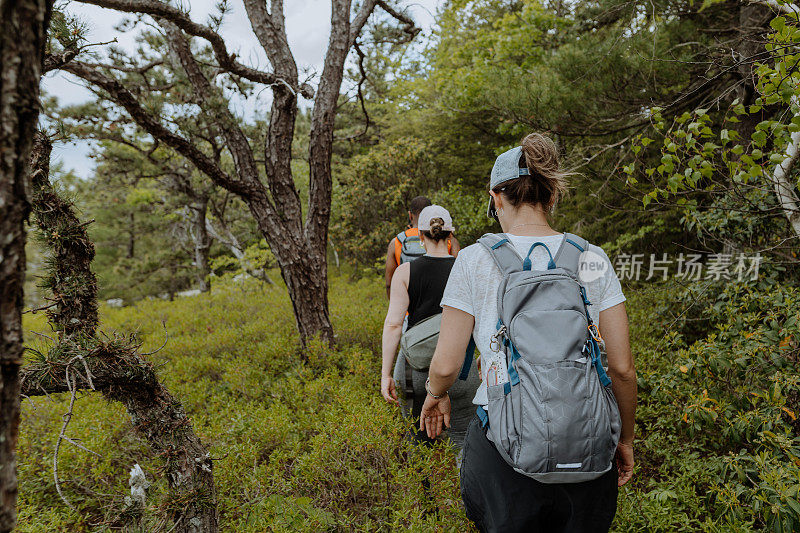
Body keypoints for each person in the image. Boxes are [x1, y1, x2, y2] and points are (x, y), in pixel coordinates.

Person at [419, 133, 637, 532]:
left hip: (504, 445)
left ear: (496, 198)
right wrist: (624, 439)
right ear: (552, 196)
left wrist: (435, 395)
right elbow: (621, 367)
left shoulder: (472, 260)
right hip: (589, 446)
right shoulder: (591, 258)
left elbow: (447, 364)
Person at [381, 205, 479, 448]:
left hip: (414, 370)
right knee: (463, 442)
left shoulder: (405, 272)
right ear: (450, 236)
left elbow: (394, 325)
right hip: (461, 369)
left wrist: (385, 374)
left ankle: (424, 486)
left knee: (418, 443)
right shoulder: (466, 271)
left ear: (421, 236)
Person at [385, 196, 461, 299]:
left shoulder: (397, 242)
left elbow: (389, 284)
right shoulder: (450, 240)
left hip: (408, 310)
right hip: (443, 307)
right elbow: (458, 279)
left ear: (410, 215)